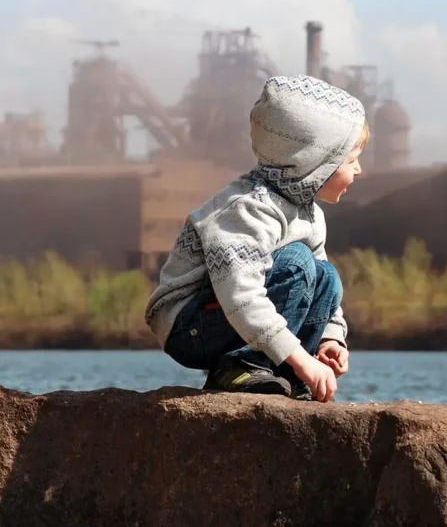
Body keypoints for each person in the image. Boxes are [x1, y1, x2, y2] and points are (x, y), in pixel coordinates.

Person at [144, 74, 366, 403]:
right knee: (297, 263)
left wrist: (329, 340)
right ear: (315, 164)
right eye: (351, 160)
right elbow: (239, 294)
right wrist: (300, 357)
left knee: (325, 274)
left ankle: (286, 375)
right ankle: (238, 366)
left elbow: (322, 291)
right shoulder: (248, 209)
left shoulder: (309, 214)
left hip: (228, 316)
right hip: (189, 325)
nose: (359, 170)